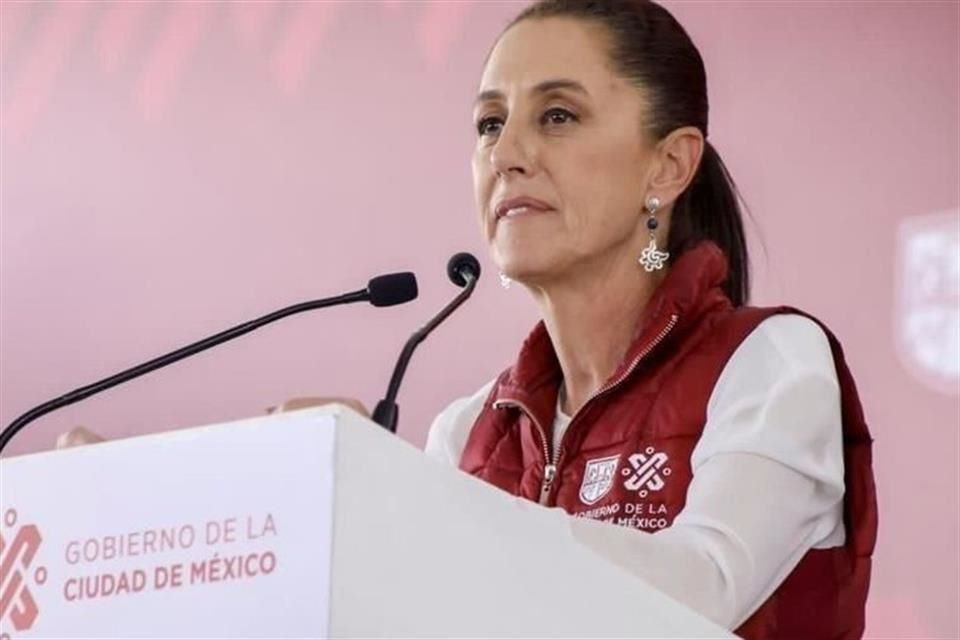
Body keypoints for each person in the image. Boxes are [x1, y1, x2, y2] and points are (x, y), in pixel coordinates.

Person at [59, 1, 877, 637]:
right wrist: (150, 515)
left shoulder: (769, 363)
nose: (508, 152)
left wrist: (408, 502)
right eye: (490, 123)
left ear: (669, 164)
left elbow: (701, 595)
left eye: (557, 115)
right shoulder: (465, 433)